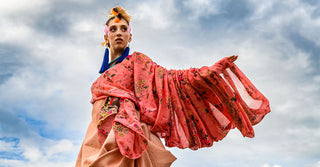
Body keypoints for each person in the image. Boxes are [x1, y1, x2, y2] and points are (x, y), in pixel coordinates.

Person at [76, 6, 270, 167]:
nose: (119, 32)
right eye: (113, 29)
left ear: (130, 36)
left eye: (124, 29)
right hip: (95, 140)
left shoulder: (138, 62)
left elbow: (172, 80)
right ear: (106, 37)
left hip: (128, 135)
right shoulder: (100, 79)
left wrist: (209, 72)